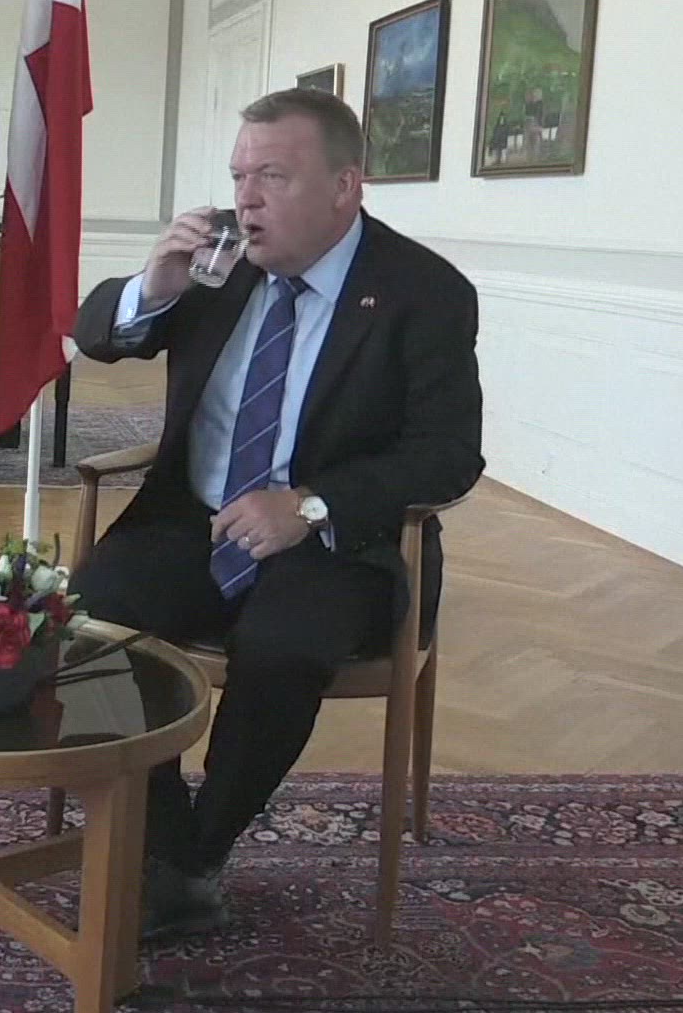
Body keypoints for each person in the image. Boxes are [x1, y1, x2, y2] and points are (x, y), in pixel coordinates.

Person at [70, 87, 483, 941]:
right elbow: (99, 335)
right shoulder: (219, 263)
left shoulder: (423, 292)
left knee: (284, 649)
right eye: (238, 176)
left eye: (273, 177)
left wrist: (311, 505)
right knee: (89, 618)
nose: (246, 199)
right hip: (193, 519)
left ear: (345, 187)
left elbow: (448, 455)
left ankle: (197, 854)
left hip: (339, 542)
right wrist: (154, 283)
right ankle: (167, 841)